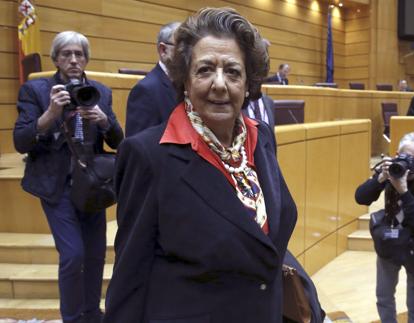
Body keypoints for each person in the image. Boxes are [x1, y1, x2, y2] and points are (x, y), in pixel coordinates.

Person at [104, 8, 298, 322]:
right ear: (185, 81)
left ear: (248, 84)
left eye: (233, 72)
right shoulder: (148, 156)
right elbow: (130, 276)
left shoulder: (261, 137)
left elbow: (263, 240)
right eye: (205, 70)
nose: (220, 84)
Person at [13, 31, 124, 323]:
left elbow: (118, 141)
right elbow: (21, 141)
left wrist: (105, 120)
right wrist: (50, 113)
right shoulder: (36, 91)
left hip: (92, 185)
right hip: (56, 184)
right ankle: (73, 318)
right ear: (56, 59)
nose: (74, 60)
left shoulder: (100, 91)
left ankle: (92, 314)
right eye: (66, 54)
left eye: (79, 54)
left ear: (86, 58)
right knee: (74, 255)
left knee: (96, 255)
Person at [355, 133, 414, 323]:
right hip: (390, 243)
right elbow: (361, 198)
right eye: (406, 157)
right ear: (396, 155)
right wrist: (380, 178)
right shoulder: (391, 171)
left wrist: (404, 191)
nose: (409, 164)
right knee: (384, 296)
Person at [125, 22, 180, 137]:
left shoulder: (188, 84)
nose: (189, 53)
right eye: (182, 47)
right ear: (163, 50)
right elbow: (138, 146)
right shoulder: (145, 90)